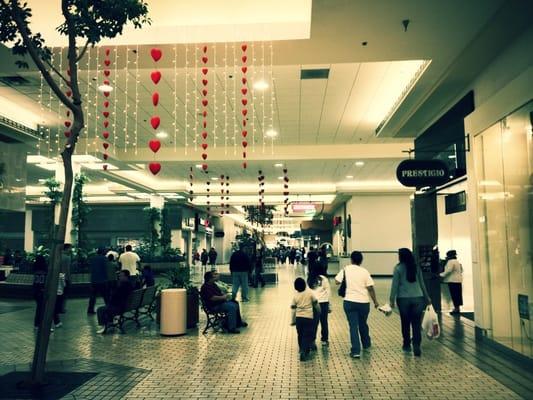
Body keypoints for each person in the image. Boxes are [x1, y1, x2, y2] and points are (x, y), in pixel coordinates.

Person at [335, 251, 379, 358]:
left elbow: (336, 281)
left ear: (351, 259)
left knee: (353, 326)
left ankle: (355, 351)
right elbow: (370, 288)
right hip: (364, 303)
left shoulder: (346, 269)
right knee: (363, 323)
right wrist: (375, 302)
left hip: (349, 302)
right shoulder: (364, 271)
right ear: (361, 260)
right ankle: (366, 343)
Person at [389, 248, 431, 357]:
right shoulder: (416, 267)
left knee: (405, 322)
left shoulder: (398, 268)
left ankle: (406, 344)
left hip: (403, 300)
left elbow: (395, 286)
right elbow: (422, 284)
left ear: (401, 256)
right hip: (418, 298)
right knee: (416, 323)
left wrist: (391, 300)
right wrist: (427, 297)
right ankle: (417, 345)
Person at [291, 277, 320, 361]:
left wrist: (293, 320)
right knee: (307, 334)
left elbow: (293, 309)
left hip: (299, 318)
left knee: (300, 334)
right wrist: (319, 311)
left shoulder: (295, 296)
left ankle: (301, 349)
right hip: (308, 318)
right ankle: (305, 350)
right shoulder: (309, 293)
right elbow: (316, 304)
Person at [96, 270, 133, 334]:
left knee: (100, 309)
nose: (119, 277)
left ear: (126, 277)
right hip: (126, 306)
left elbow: (116, 296)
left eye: (121, 276)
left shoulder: (123, 286)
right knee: (107, 307)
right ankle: (109, 323)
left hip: (120, 307)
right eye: (119, 276)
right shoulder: (129, 284)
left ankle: (104, 327)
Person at [308, 265, 330, 346]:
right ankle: (324, 339)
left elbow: (309, 292)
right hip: (324, 302)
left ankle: (312, 340)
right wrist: (329, 304)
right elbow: (328, 292)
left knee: (314, 323)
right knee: (324, 322)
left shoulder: (310, 279)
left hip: (314, 303)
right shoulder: (324, 279)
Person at [440, 250, 463, 315]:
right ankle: (457, 308)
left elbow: (448, 271)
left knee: (454, 295)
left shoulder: (450, 262)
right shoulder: (457, 262)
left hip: (453, 281)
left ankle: (456, 309)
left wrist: (440, 275)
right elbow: (461, 270)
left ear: (449, 256)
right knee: (458, 295)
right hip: (458, 280)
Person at [87, 247, 110, 315]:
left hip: (94, 280)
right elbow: (106, 269)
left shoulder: (93, 258)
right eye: (105, 251)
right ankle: (109, 308)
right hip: (102, 280)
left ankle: (90, 309)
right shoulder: (104, 258)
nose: (106, 252)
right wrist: (107, 278)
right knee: (106, 296)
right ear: (103, 252)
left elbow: (90, 268)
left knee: (93, 296)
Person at [32, 254, 47, 329]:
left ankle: (36, 324)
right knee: (43, 309)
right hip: (43, 291)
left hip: (36, 291)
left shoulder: (35, 269)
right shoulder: (45, 270)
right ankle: (40, 324)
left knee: (39, 308)